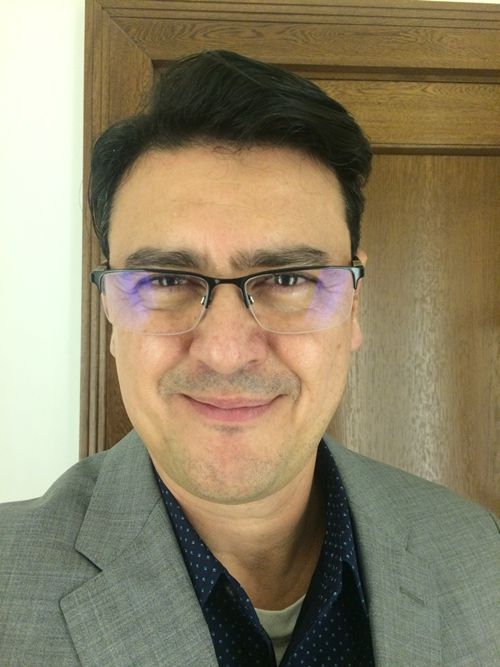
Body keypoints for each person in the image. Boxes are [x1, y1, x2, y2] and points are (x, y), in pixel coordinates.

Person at [0, 50, 498, 667]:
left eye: (287, 279)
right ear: (110, 311)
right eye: (166, 279)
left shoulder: (478, 556)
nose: (225, 351)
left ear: (353, 305)